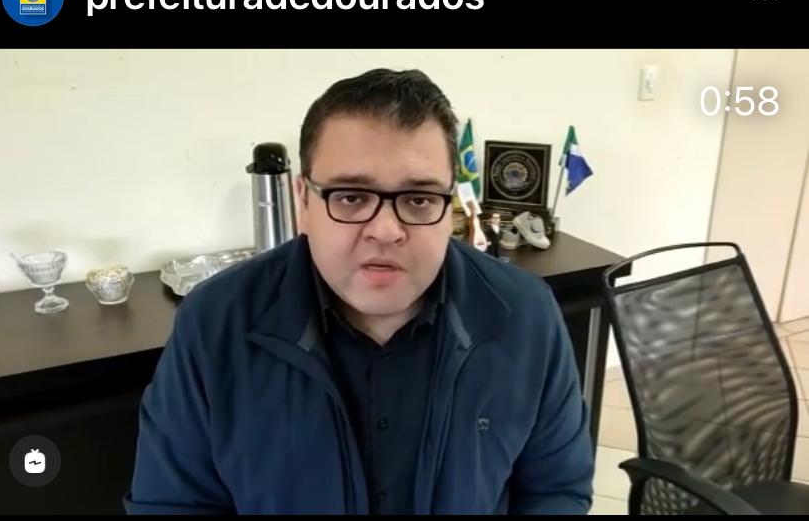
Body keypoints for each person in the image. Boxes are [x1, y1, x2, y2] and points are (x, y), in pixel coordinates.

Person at [124, 68, 594, 514]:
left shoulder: (525, 315)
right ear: (303, 201)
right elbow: (173, 504)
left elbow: (556, 487)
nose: (386, 230)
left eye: (418, 198)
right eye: (350, 196)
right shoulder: (214, 324)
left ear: (449, 205)